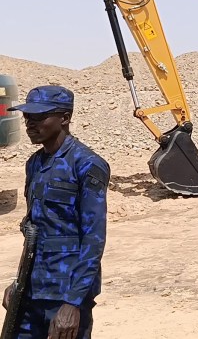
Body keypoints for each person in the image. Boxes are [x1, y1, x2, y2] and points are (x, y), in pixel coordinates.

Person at [2, 85, 109, 339]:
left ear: (65, 118)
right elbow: (34, 232)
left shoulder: (87, 164)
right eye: (27, 116)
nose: (30, 123)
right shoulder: (34, 163)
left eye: (39, 116)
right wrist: (18, 283)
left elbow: (94, 239)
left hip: (65, 294)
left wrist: (73, 303)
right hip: (31, 291)